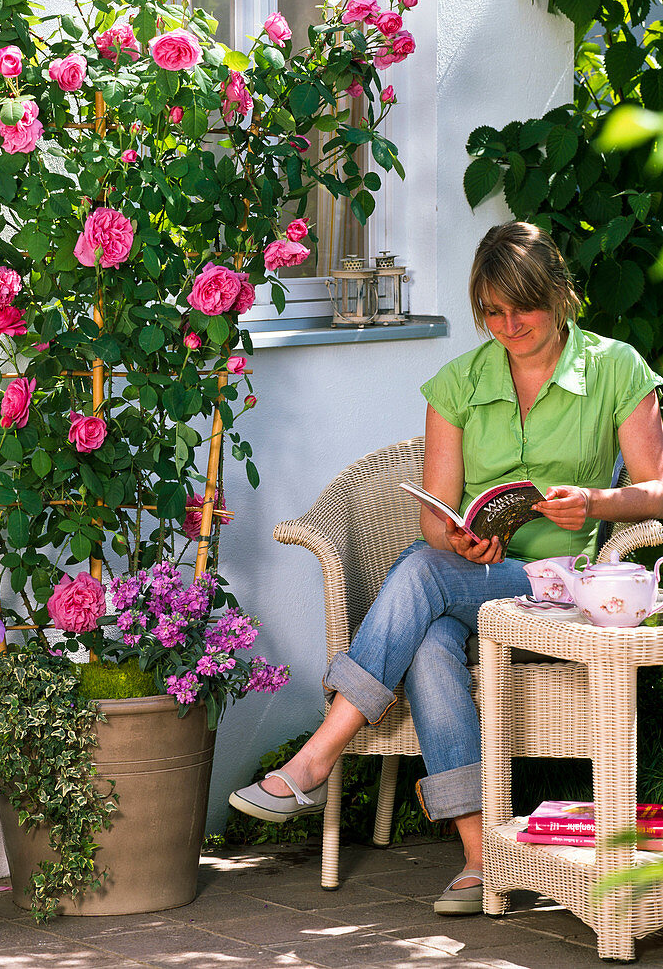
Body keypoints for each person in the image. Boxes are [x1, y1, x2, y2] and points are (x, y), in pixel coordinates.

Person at [229, 222, 663, 914]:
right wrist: (459, 538)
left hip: (556, 585)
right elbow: (435, 518)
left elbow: (657, 489)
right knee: (428, 632)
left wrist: (597, 500)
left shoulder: (615, 368)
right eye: (490, 311)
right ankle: (479, 859)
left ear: (558, 294)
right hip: (473, 578)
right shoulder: (457, 382)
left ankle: (318, 754)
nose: (507, 324)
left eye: (521, 306)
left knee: (423, 577)